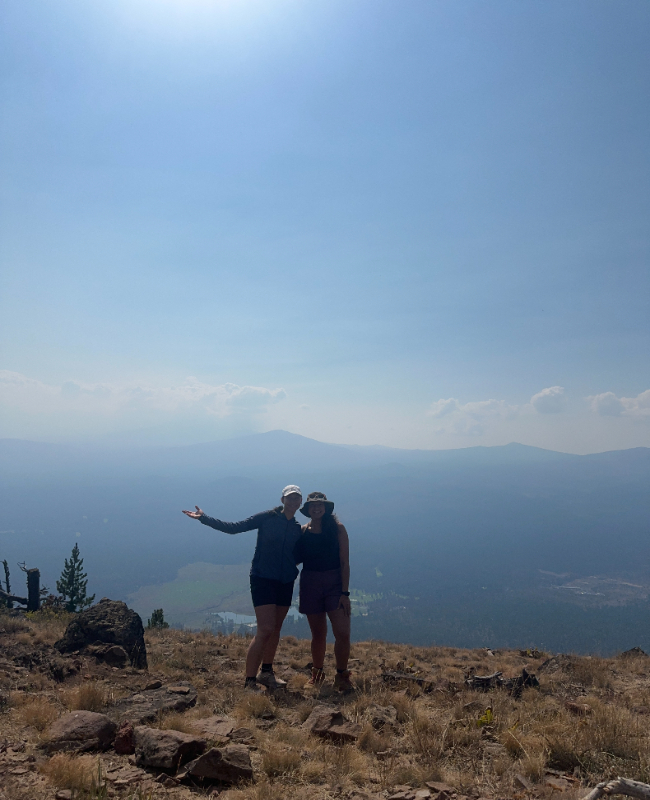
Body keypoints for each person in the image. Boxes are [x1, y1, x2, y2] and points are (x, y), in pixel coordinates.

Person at [182, 485, 303, 691]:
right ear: (282, 500)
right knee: (265, 629)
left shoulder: (297, 527)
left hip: (285, 581)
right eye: (289, 498)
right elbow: (234, 527)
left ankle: (266, 672)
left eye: (297, 499)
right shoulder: (267, 517)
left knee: (275, 630)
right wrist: (204, 518)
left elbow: (299, 553)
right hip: (262, 578)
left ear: (300, 503)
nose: (293, 502)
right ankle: (249, 682)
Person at [295, 491, 354, 692]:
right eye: (313, 506)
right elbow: (295, 558)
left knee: (343, 632)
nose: (317, 508)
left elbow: (345, 562)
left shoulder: (338, 529)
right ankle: (317, 674)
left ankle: (342, 675)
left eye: (320, 505)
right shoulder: (303, 531)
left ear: (326, 508)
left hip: (334, 584)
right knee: (318, 633)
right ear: (308, 510)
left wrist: (344, 593)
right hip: (310, 583)